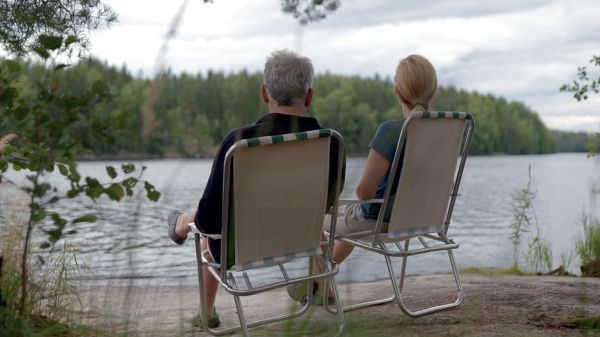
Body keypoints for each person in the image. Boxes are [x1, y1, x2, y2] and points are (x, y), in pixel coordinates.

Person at [167, 49, 343, 328]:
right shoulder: (331, 143)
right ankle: (181, 223)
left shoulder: (240, 144)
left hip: (242, 250)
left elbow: (210, 220)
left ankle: (206, 313)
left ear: (264, 94)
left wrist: (195, 221)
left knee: (203, 234)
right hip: (305, 240)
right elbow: (329, 201)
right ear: (309, 96)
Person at [327, 54, 439, 267]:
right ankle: (320, 284)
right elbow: (447, 185)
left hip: (379, 223)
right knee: (349, 215)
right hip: (418, 221)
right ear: (433, 91)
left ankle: (319, 285)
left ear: (397, 91)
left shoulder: (390, 132)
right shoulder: (440, 133)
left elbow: (364, 192)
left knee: (318, 224)